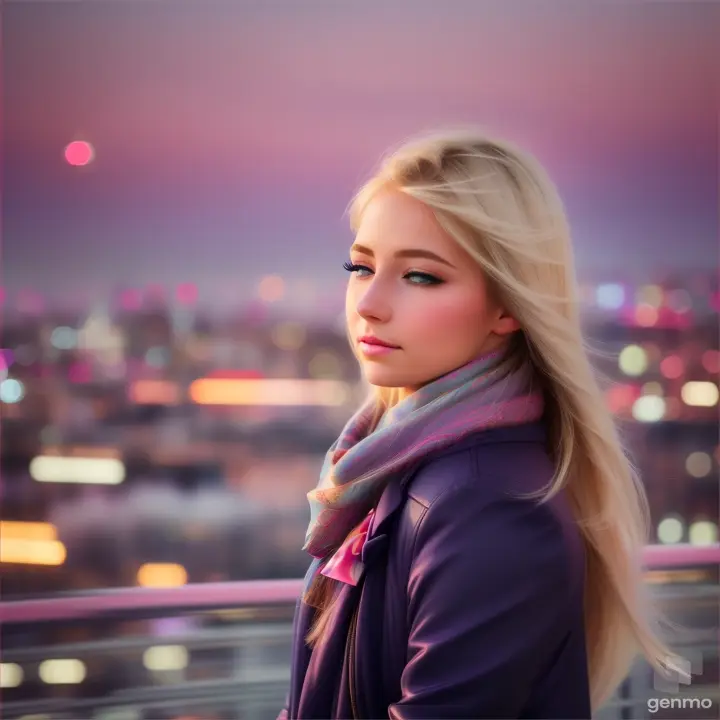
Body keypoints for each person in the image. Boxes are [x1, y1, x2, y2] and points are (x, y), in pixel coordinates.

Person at [280, 127, 680, 719]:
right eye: (360, 266)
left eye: (420, 275)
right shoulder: (392, 461)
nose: (369, 302)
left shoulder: (490, 500)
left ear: (507, 306)